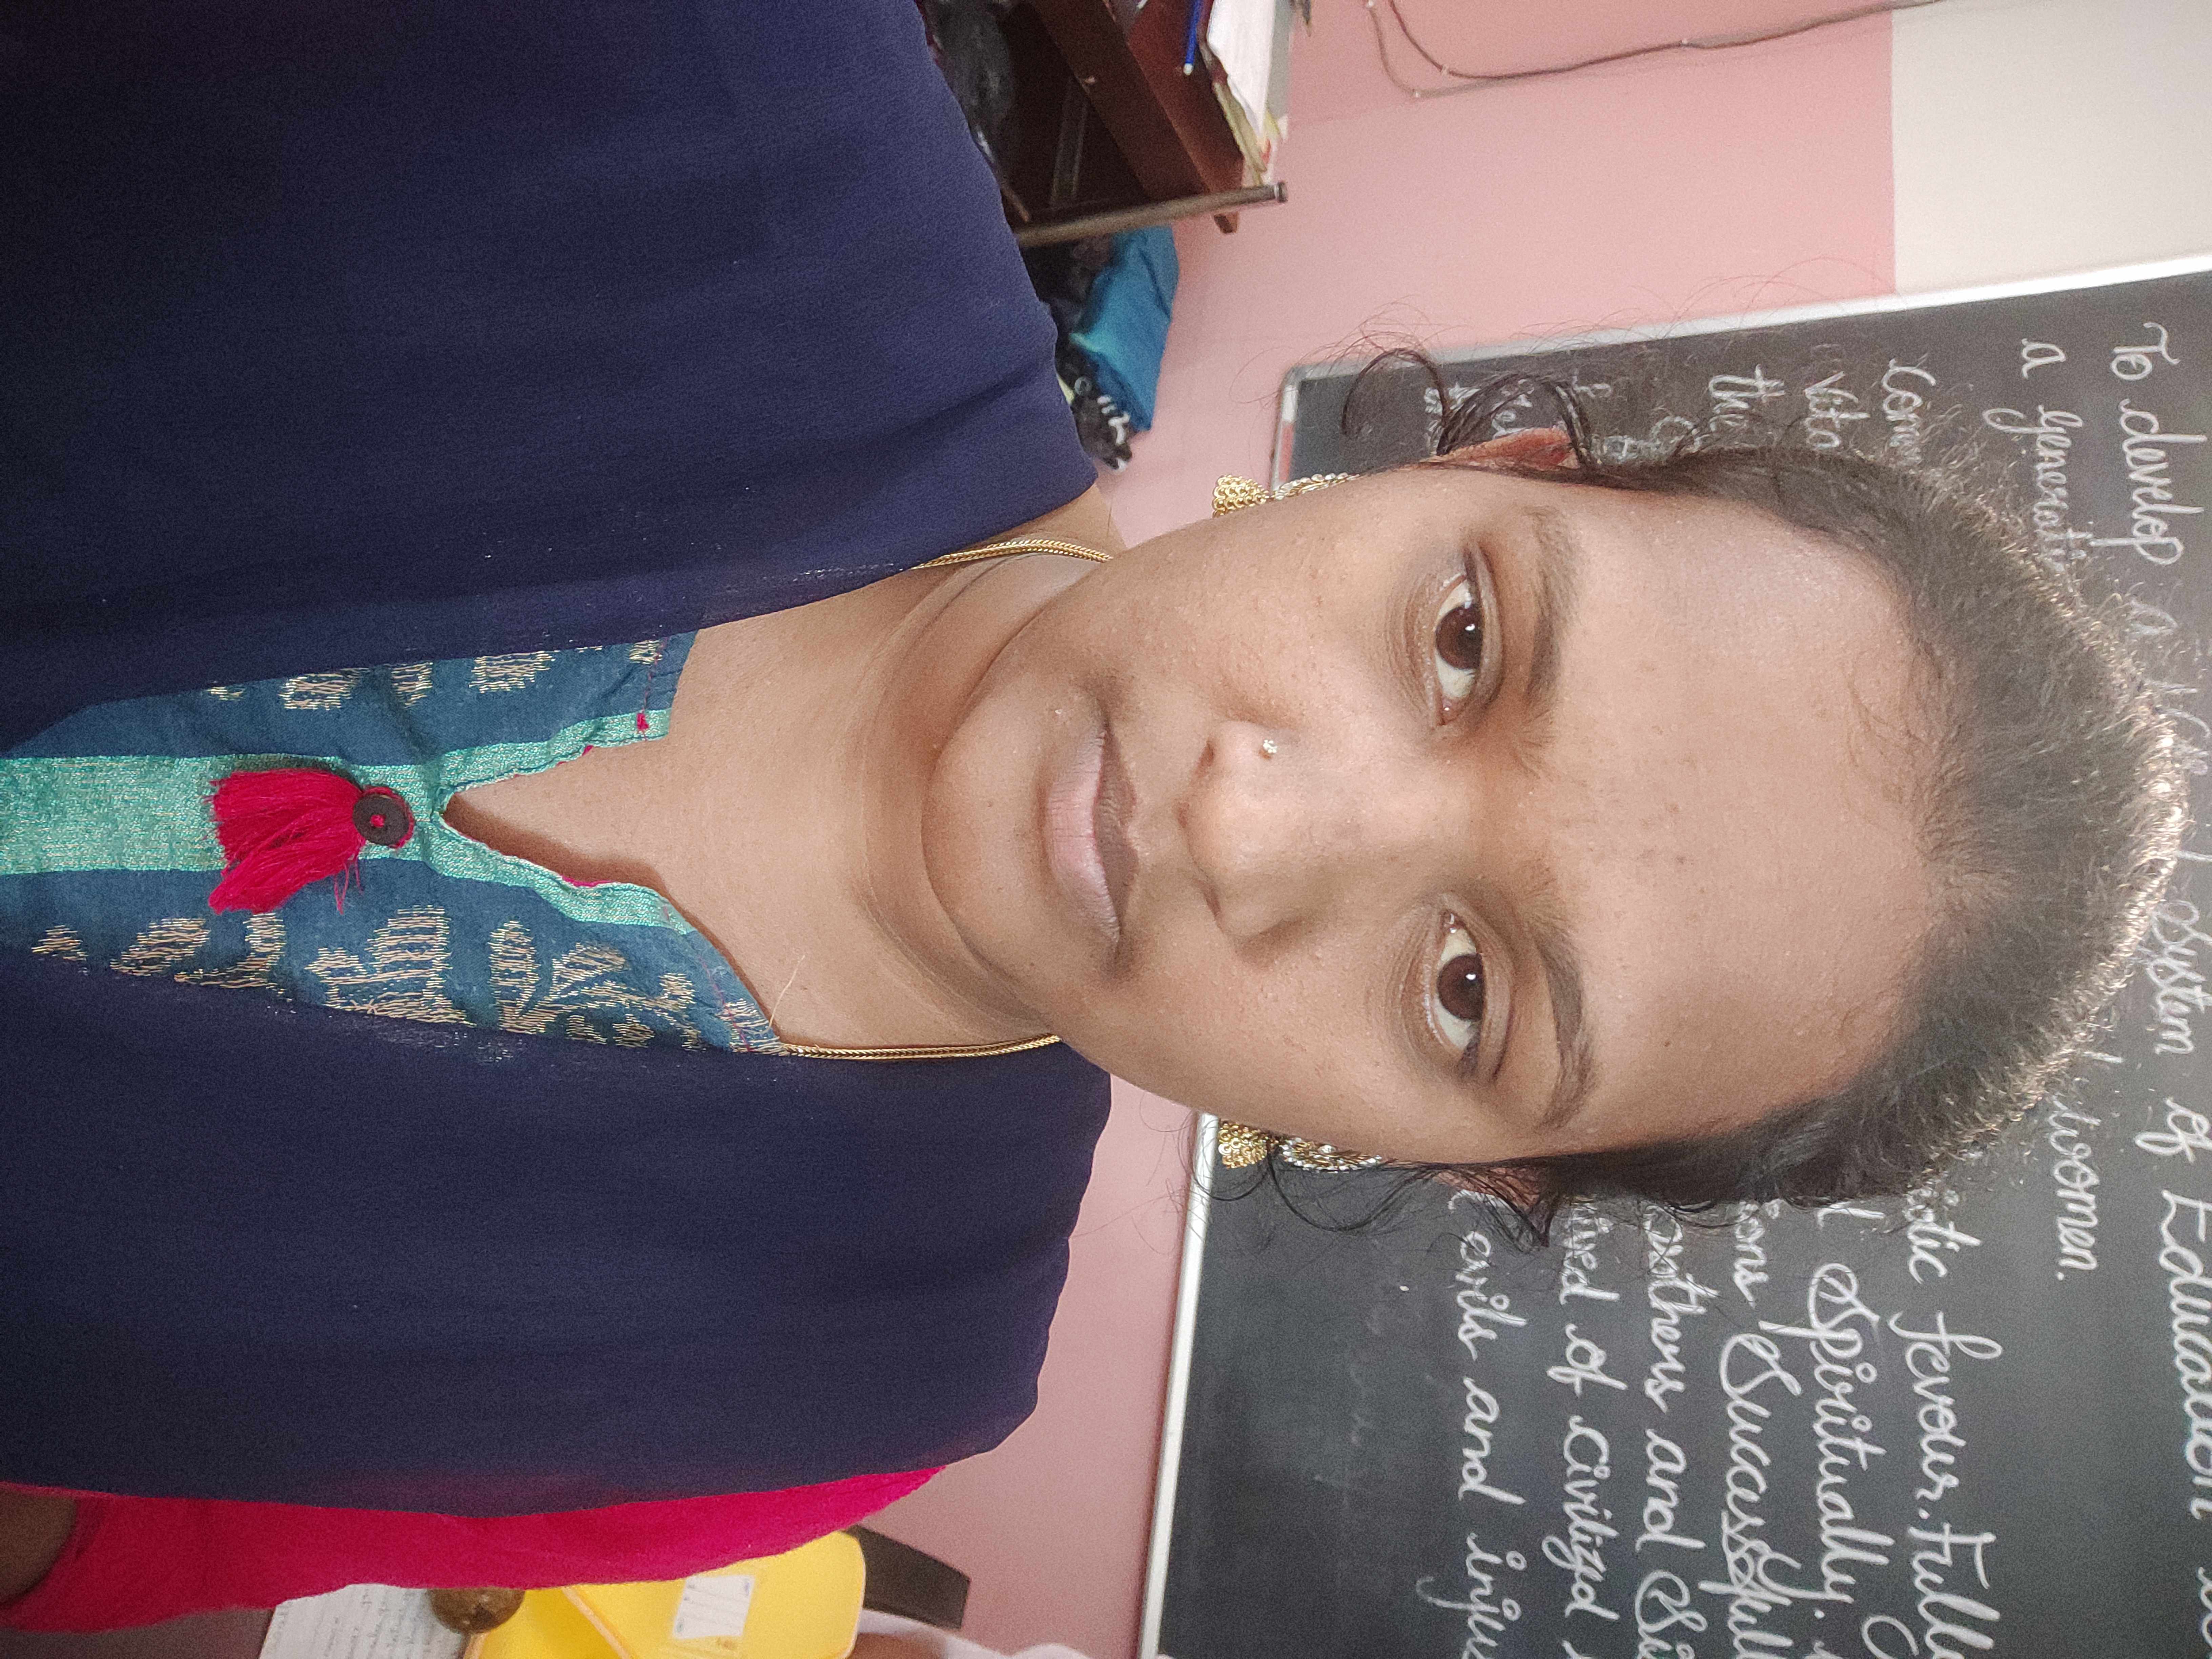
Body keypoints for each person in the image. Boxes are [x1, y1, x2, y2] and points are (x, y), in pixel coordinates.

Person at [0, 0, 2181, 1634]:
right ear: (1486, 468)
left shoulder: (847, 1382)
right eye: (1463, 641)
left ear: (1471, 1163)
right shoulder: (707, 73)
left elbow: (81, 1527)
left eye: (1464, 987)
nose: (1255, 826)